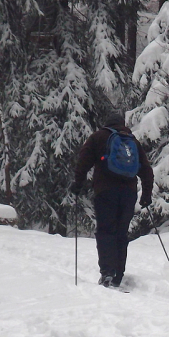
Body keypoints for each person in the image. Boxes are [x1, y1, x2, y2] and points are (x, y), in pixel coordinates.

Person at [70, 113, 154, 288]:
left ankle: (107, 271)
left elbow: (83, 161)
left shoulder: (98, 137)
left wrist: (78, 184)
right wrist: (146, 194)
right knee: (121, 233)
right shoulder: (132, 141)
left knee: (106, 231)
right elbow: (146, 170)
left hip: (105, 191)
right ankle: (118, 274)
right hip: (129, 194)